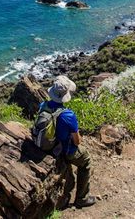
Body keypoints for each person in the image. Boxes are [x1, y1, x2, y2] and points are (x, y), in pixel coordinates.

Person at [38, 75, 97, 208]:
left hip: (50, 147)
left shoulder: (43, 105)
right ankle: (82, 198)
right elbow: (77, 142)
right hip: (66, 150)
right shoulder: (68, 115)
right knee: (86, 161)